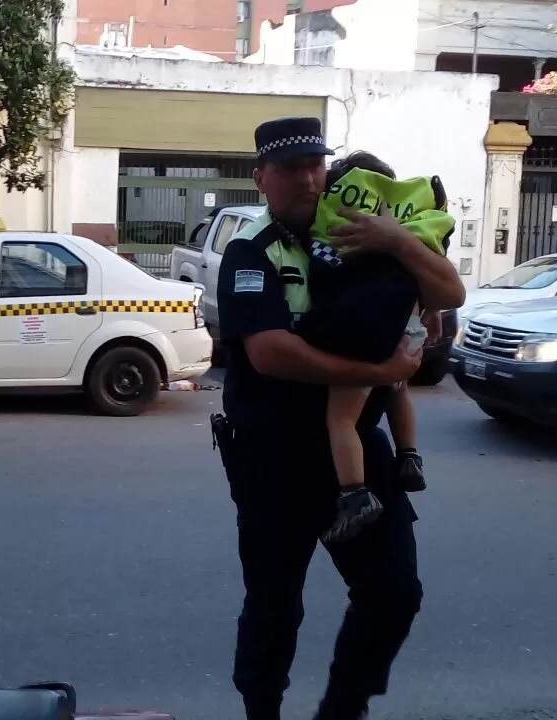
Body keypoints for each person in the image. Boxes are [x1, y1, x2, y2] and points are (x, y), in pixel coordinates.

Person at [210, 117, 465, 720]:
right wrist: (378, 374)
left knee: (395, 594)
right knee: (274, 606)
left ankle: (342, 710)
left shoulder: (360, 232)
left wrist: (398, 243)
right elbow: (269, 353)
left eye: (314, 166)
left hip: (354, 449)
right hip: (274, 456)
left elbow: (449, 293)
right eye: (289, 169)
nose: (305, 179)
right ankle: (262, 712)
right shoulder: (251, 252)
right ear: (261, 179)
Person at [298, 151, 456, 543]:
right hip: (406, 325)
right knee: (397, 389)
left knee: (341, 418)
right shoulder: (406, 222)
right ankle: (409, 456)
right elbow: (430, 276)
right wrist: (430, 309)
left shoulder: (345, 223)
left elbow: (340, 276)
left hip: (367, 331)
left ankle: (355, 494)